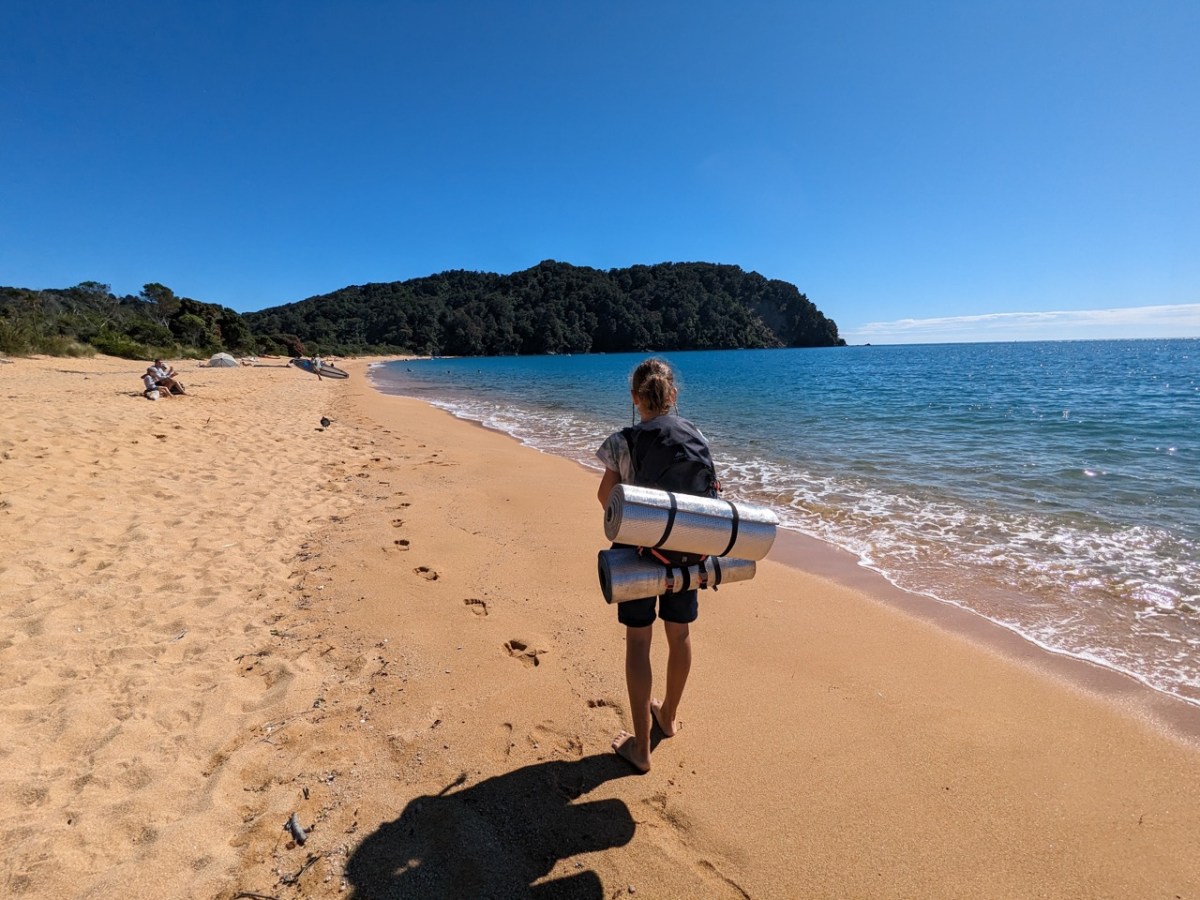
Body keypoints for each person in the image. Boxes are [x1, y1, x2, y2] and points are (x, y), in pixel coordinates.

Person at [595, 357, 716, 773]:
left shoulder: (623, 439)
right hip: (687, 550)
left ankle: (641, 748)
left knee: (639, 643)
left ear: (634, 398)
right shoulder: (696, 434)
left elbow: (606, 499)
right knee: (679, 636)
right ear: (673, 396)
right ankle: (668, 716)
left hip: (639, 554)